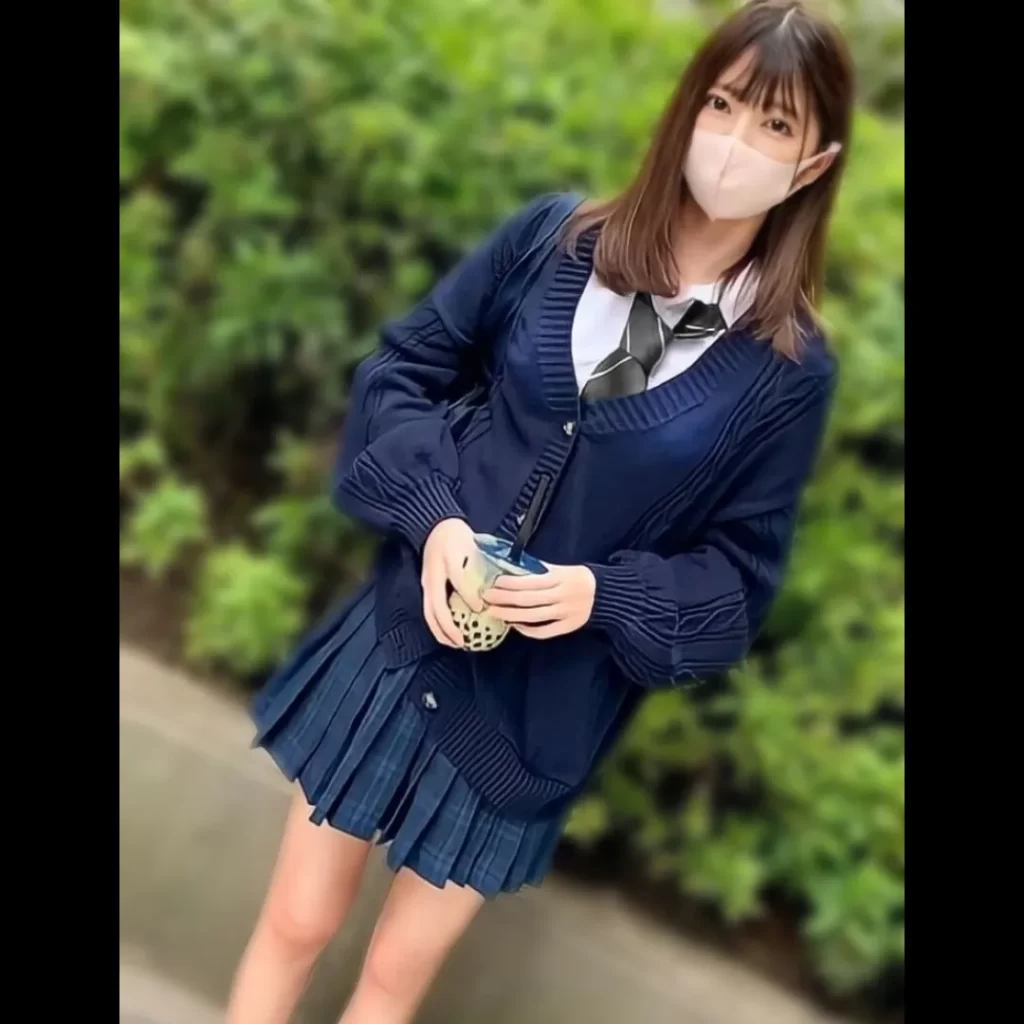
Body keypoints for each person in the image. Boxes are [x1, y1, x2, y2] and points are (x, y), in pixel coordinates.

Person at [226, 2, 856, 1021]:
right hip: (402, 642)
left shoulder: (785, 371)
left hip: (535, 719)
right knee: (296, 922)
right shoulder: (556, 241)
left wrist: (600, 595)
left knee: (391, 978)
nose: (736, 140)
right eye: (723, 103)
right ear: (688, 105)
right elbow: (402, 372)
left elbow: (736, 582)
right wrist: (434, 519)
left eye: (774, 123)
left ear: (814, 162)